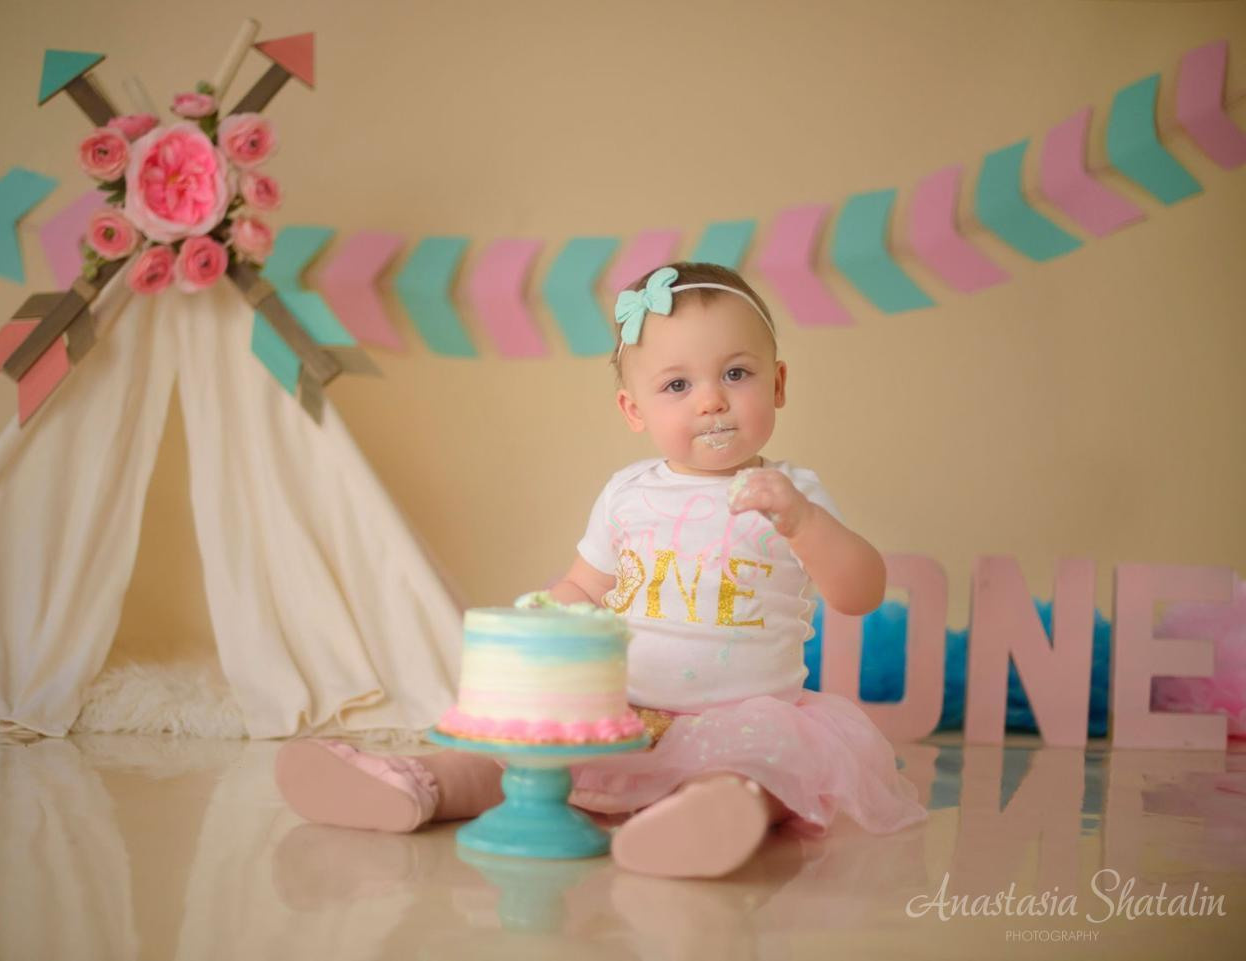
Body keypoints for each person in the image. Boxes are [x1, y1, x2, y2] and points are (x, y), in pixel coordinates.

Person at [276, 262, 927, 878]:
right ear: (634, 409)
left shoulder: (791, 492)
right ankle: (420, 784)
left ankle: (706, 817)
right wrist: (549, 616)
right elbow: (586, 586)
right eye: (677, 385)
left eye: (736, 374)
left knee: (761, 774)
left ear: (778, 384)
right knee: (520, 761)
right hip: (624, 711)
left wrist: (803, 522)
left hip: (745, 719)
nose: (710, 401)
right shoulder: (628, 492)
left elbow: (859, 592)